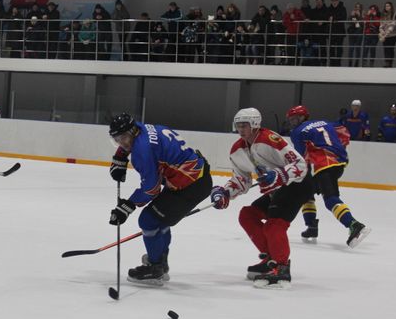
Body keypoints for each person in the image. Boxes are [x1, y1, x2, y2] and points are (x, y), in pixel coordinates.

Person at [209, 107, 313, 288]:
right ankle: (271, 258)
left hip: (297, 184)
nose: (241, 129)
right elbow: (242, 180)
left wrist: (278, 175)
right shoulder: (237, 149)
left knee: (275, 224)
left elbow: (300, 164)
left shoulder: (270, 139)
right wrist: (225, 192)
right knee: (248, 215)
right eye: (238, 125)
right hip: (278, 189)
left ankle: (281, 268)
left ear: (255, 124)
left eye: (245, 125)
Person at [107, 113, 211, 285]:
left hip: (189, 186)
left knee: (148, 220)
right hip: (197, 179)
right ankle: (160, 262)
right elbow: (131, 140)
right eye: (117, 139)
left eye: (123, 139)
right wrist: (120, 156)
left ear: (132, 131)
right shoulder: (144, 128)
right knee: (160, 221)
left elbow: (151, 189)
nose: (121, 143)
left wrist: (127, 206)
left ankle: (155, 268)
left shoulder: (142, 150)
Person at [286, 105, 370, 248]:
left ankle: (354, 225)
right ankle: (311, 226)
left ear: (303, 117)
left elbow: (301, 158)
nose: (293, 122)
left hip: (325, 165)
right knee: (306, 192)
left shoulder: (297, 132)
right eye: (291, 119)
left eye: (295, 118)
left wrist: (292, 171)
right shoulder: (326, 123)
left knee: (330, 199)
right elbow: (344, 134)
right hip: (339, 162)